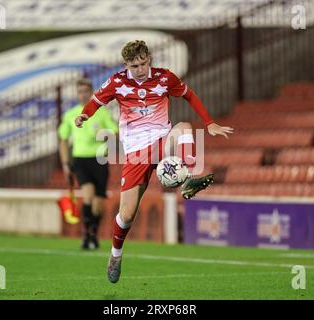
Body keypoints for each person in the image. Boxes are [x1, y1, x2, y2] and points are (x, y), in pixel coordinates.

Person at [75, 40, 233, 282]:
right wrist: (84, 114)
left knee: (184, 127)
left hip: (161, 141)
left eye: (143, 63)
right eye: (134, 65)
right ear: (125, 64)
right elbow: (96, 101)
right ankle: (115, 255)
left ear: (149, 58)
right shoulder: (118, 82)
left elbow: (189, 95)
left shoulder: (164, 78)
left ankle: (188, 179)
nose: (139, 69)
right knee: (126, 215)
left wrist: (210, 123)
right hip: (136, 153)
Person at [58, 78, 118, 250]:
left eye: (85, 91)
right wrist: (64, 163)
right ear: (77, 94)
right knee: (88, 195)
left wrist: (103, 134)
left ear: (91, 92)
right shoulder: (71, 115)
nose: (82, 94)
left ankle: (93, 234)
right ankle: (87, 235)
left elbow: (114, 133)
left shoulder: (102, 113)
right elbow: (62, 139)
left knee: (98, 205)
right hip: (80, 159)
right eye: (79, 91)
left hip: (99, 159)